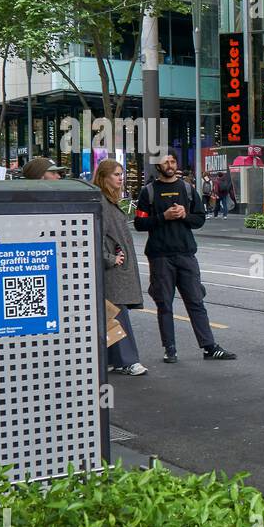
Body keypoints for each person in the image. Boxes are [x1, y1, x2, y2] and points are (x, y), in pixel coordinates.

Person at [133, 153, 236, 362]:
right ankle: (169, 349)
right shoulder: (148, 192)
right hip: (160, 256)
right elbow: (139, 224)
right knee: (165, 304)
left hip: (186, 253)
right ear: (157, 165)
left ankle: (209, 347)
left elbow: (199, 219)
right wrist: (164, 217)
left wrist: (184, 215)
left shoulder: (188, 189)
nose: (170, 165)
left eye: (172, 161)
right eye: (165, 161)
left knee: (196, 301)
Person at [92, 158, 147, 375]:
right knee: (117, 313)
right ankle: (129, 360)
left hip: (115, 270)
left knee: (112, 313)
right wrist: (110, 258)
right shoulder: (102, 202)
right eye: (116, 174)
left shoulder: (108, 200)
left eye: (122, 174)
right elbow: (94, 237)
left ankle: (115, 359)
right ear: (104, 177)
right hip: (111, 272)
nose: (121, 178)